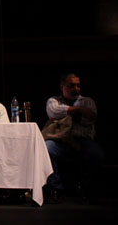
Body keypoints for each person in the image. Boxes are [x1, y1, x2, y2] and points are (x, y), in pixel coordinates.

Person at [44, 73, 104, 201]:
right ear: (62, 87)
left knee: (96, 154)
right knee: (46, 148)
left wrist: (66, 113)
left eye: (78, 86)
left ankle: (87, 189)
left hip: (82, 140)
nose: (76, 89)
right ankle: (56, 189)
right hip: (60, 140)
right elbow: (53, 112)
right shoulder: (54, 100)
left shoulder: (87, 101)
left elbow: (89, 119)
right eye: (71, 86)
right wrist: (79, 110)